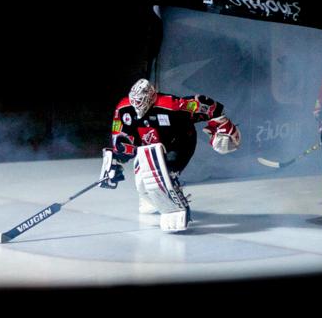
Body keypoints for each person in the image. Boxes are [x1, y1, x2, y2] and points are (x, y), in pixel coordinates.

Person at [99, 79, 241, 232]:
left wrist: (222, 124)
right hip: (149, 147)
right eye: (135, 101)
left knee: (165, 173)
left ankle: (175, 205)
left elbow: (205, 105)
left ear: (150, 97)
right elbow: (121, 136)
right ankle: (153, 201)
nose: (137, 105)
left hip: (179, 143)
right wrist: (116, 161)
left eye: (140, 101)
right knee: (142, 184)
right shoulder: (124, 109)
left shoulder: (171, 105)